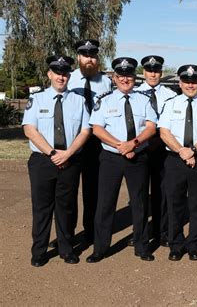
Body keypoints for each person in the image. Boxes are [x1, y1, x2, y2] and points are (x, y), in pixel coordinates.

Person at [86, 57, 157, 263]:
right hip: (111, 158)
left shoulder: (144, 99)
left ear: (135, 77)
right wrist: (121, 146)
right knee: (105, 203)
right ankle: (100, 248)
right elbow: (97, 129)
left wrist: (133, 144)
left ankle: (142, 246)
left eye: (129, 75)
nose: (125, 79)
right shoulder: (104, 100)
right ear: (114, 78)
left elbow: (151, 127)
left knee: (140, 202)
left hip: (138, 156)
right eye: (121, 76)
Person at [23, 55, 90, 266]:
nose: (61, 77)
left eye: (64, 73)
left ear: (69, 75)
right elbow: (30, 130)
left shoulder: (79, 101)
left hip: (70, 160)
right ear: (49, 74)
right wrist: (53, 154)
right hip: (43, 160)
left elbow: (85, 130)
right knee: (42, 207)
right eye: (57, 73)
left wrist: (68, 153)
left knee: (67, 207)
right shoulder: (37, 100)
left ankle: (66, 248)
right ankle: (39, 251)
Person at [159, 65, 197, 261]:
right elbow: (164, 132)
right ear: (180, 83)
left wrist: (193, 150)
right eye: (186, 81)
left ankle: (195, 244)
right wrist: (182, 151)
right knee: (174, 203)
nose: (190, 85)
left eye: (194, 82)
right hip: (175, 160)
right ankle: (176, 245)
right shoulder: (170, 103)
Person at [68, 39, 112, 244]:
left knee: (93, 189)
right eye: (85, 55)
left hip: (96, 142)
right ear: (78, 57)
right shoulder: (67, 79)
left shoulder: (106, 82)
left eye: (93, 56)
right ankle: (66, 234)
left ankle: (90, 231)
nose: (89, 59)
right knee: (67, 190)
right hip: (72, 140)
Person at [135, 55, 176, 247]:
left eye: (156, 70)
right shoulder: (135, 93)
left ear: (161, 72)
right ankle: (140, 233)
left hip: (163, 147)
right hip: (141, 146)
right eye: (150, 70)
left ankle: (163, 231)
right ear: (143, 73)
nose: (153, 74)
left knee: (163, 191)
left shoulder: (170, 95)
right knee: (140, 192)